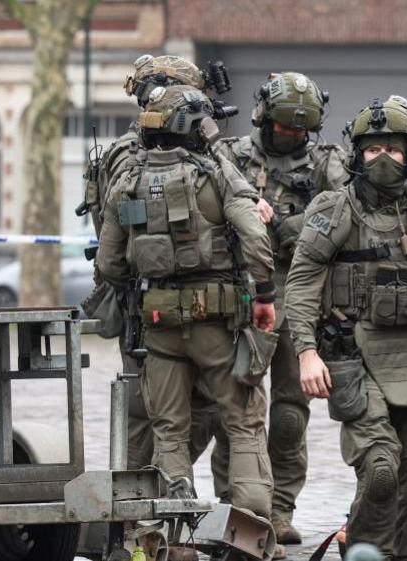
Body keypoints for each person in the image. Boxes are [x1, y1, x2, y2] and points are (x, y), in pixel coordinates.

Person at [285, 95, 407, 559]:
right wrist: (306, 351)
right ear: (356, 154)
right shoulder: (335, 210)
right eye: (372, 150)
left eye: (392, 149)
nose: (382, 159)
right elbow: (302, 283)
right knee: (380, 472)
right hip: (354, 361)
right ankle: (365, 552)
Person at [96, 83, 280, 528]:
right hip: (216, 323)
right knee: (243, 421)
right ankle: (250, 525)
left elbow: (109, 262)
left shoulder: (128, 180)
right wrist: (265, 296)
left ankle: (173, 529)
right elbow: (256, 239)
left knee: (169, 430)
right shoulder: (216, 173)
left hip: (157, 324)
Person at [80, 54, 232, 493]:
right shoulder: (132, 153)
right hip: (143, 299)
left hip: (173, 299)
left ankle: (163, 492)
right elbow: (123, 231)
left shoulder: (170, 149)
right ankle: (132, 513)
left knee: (200, 406)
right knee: (145, 411)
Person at [214, 71, 349, 544]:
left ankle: (281, 508)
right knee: (235, 407)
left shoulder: (326, 164)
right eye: (285, 128)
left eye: (301, 131)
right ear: (264, 118)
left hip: (298, 289)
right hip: (239, 292)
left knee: (290, 413)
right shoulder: (231, 156)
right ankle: (232, 505)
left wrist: (286, 220)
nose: (292, 137)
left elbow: (343, 212)